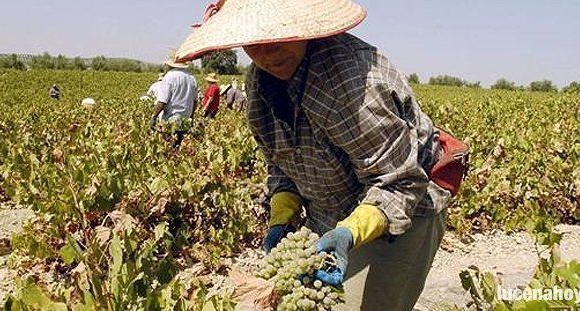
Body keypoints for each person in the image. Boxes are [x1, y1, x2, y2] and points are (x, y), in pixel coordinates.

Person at [174, 0, 462, 309]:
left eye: (278, 36)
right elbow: (281, 163)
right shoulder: (259, 81)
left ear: (303, 26)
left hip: (405, 208)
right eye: (255, 42)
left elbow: (400, 183)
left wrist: (350, 232)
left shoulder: (354, 82)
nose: (268, 53)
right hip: (329, 207)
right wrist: (281, 217)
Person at [150, 52, 197, 148]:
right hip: (185, 121)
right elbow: (195, 101)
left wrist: (154, 116)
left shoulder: (169, 77)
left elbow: (162, 100)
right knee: (180, 150)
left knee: (168, 150)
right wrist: (191, 117)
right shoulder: (192, 78)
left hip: (171, 121)